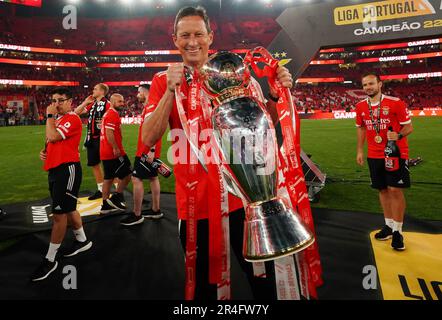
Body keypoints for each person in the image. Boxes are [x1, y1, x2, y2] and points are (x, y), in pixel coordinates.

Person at [142, 6, 295, 300]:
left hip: (244, 202)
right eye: (184, 35)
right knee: (202, 292)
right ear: (174, 39)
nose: (192, 41)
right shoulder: (163, 81)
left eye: (198, 34)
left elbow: (263, 126)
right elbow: (148, 137)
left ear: (210, 37)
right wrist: (169, 94)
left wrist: (276, 95)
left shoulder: (234, 74)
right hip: (195, 208)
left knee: (265, 285)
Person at [32, 88, 92, 282]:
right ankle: (82, 240)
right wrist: (45, 152)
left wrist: (49, 116)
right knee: (68, 208)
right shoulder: (58, 120)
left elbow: (55, 136)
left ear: (69, 102)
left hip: (68, 170)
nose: (56, 103)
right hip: (56, 169)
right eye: (53, 100)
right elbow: (51, 141)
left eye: (60, 100)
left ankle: (50, 260)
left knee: (59, 215)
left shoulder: (72, 118)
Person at [356, 72, 413, 251]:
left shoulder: (395, 103)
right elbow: (361, 128)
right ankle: (388, 226)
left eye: (371, 83)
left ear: (380, 84)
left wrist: (399, 135)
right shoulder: (360, 106)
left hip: (395, 153)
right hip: (374, 154)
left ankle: (398, 231)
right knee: (382, 189)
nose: (368, 87)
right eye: (365, 85)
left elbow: (409, 126)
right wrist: (359, 150)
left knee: (395, 190)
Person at [121, 84, 163, 226]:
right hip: (150, 150)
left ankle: (137, 214)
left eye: (139, 92)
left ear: (146, 92)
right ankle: (156, 210)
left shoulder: (151, 106)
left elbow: (155, 129)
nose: (137, 94)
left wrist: (150, 151)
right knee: (153, 177)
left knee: (136, 179)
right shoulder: (151, 106)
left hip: (146, 151)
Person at [75, 83, 111, 200]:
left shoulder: (107, 104)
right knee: (94, 164)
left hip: (102, 139)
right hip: (91, 139)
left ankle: (115, 191)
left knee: (108, 165)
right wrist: (85, 102)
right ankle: (101, 190)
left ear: (102, 91)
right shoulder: (92, 104)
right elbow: (76, 112)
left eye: (95, 89)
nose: (93, 90)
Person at [99, 93, 132, 214]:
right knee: (128, 173)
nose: (122, 104)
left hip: (104, 151)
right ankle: (117, 197)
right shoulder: (112, 114)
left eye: (122, 101)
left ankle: (105, 205)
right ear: (112, 102)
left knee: (108, 178)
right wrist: (115, 147)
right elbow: (109, 132)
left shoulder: (108, 113)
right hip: (113, 151)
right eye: (119, 101)